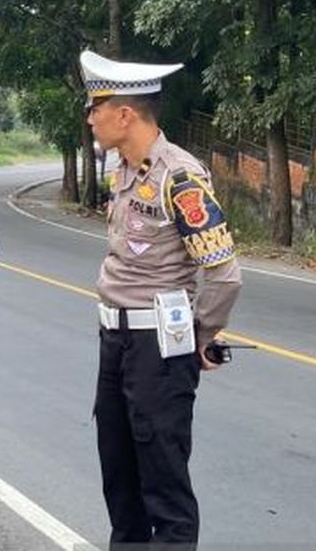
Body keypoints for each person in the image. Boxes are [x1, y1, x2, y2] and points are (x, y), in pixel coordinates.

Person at [80, 50, 243, 549]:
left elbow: (225, 274)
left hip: (158, 346)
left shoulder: (181, 177)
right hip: (117, 340)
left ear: (124, 114)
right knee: (120, 479)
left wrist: (198, 336)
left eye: (96, 107)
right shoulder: (124, 170)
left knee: (163, 487)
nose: (90, 118)